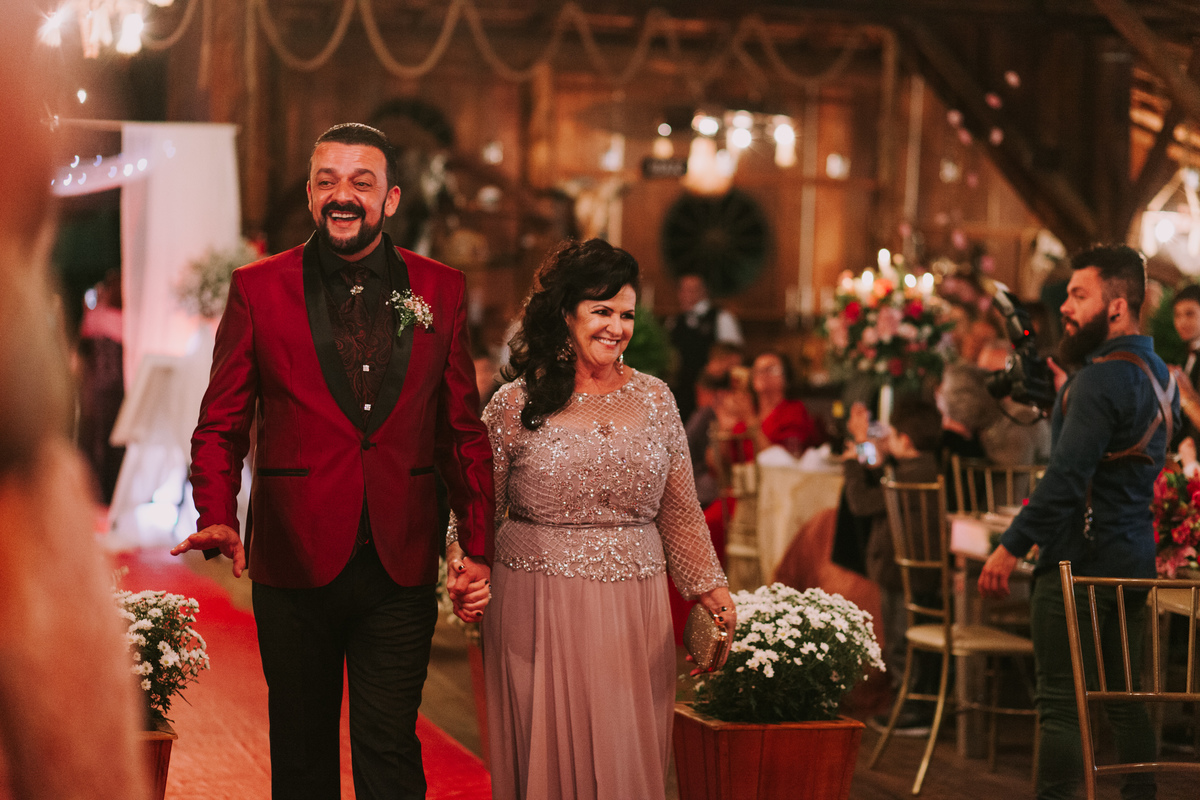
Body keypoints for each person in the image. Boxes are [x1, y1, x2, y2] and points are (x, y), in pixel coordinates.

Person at [172, 123, 495, 800]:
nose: (342, 195)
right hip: (293, 559)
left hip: (400, 563)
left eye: (361, 182)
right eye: (328, 181)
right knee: (301, 758)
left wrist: (477, 543)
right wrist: (216, 511)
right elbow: (221, 422)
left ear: (391, 199)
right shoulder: (258, 288)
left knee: (390, 752)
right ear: (311, 194)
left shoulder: (441, 289)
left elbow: (462, 431)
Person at [457, 239, 734, 800]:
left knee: (626, 748)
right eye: (601, 311)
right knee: (548, 750)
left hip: (636, 604)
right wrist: (462, 567)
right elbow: (474, 505)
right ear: (566, 313)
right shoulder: (514, 403)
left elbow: (681, 508)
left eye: (626, 314)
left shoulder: (656, 399)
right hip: (537, 602)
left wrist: (711, 588)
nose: (616, 327)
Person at [979, 244, 1177, 800]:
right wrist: (1066, 398)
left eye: (1078, 295)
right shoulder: (1160, 375)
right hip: (1133, 560)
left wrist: (1009, 547)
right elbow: (1118, 455)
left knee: (1062, 706)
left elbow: (1065, 481)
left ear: (1116, 306)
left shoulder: (1096, 383)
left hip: (1078, 562)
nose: (1064, 306)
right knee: (1126, 702)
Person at [842, 396, 944, 732]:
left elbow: (862, 502)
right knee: (913, 642)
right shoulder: (928, 469)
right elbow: (879, 471)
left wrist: (852, 461)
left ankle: (911, 708)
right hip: (923, 574)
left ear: (905, 440)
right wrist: (861, 443)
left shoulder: (904, 479)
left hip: (901, 574)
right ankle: (917, 702)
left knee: (902, 642)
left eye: (893, 434)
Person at [665, 273, 743, 421]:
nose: (686, 294)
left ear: (704, 291)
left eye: (692, 290)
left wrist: (714, 371)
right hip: (681, 391)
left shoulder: (721, 318)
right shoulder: (673, 322)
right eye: (683, 290)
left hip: (712, 394)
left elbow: (735, 357)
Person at [1169, 283, 1200, 446]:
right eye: (1177, 315)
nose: (1181, 322)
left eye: (1189, 314)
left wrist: (1185, 397)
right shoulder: (1184, 355)